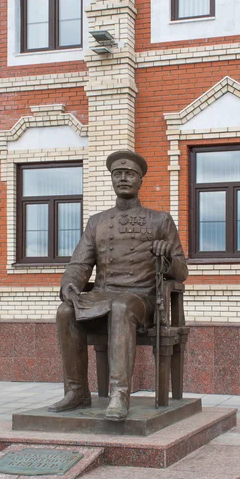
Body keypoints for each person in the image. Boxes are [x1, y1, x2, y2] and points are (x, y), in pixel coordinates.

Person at [48, 150, 187, 421]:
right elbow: (79, 264)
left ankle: (119, 394)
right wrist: (69, 286)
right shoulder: (97, 222)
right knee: (65, 311)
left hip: (141, 300)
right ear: (112, 179)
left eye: (130, 174)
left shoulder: (160, 220)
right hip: (102, 295)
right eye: (117, 174)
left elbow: (182, 271)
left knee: (122, 306)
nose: (123, 178)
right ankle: (76, 392)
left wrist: (167, 255)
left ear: (140, 180)